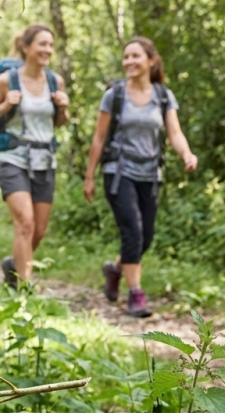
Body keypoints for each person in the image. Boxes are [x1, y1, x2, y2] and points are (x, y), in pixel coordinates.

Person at [83, 36, 197, 317]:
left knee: (145, 237)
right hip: (118, 171)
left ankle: (115, 269)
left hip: (150, 173)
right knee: (132, 231)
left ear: (151, 60)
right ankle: (136, 294)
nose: (129, 61)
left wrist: (186, 154)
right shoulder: (115, 95)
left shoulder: (163, 96)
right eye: (126, 57)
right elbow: (99, 138)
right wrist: (90, 176)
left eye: (135, 56)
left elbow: (174, 132)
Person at [0, 24, 70, 288]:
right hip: (14, 158)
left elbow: (59, 123)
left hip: (45, 160)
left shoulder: (55, 81)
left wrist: (64, 109)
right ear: (25, 47)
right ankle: (25, 290)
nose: (48, 50)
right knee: (25, 223)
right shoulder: (7, 81)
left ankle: (13, 265)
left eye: (50, 45)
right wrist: (6, 104)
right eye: (42, 44)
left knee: (38, 231)